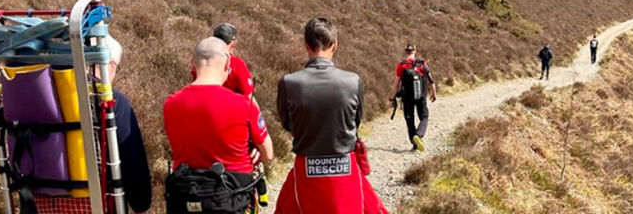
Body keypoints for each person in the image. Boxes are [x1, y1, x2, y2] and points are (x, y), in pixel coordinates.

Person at [275, 17, 388, 214]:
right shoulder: (353, 81)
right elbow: (356, 121)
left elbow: (287, 123)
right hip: (346, 167)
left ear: (306, 45)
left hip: (306, 167)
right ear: (335, 45)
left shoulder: (289, 82)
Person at [164, 37, 274, 211]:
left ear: (192, 64)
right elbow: (268, 153)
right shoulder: (245, 105)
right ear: (228, 63)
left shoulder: (171, 104)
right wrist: (253, 149)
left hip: (185, 196)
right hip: (233, 196)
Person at [102, 36, 152, 214]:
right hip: (100, 203)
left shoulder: (46, 96)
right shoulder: (115, 103)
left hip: (40, 203)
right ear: (110, 65)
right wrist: (141, 203)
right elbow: (132, 159)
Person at [391, 43, 436, 152]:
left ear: (405, 51)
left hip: (407, 97)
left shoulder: (402, 65)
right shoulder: (422, 64)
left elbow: (396, 84)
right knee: (424, 116)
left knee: (409, 120)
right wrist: (434, 93)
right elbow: (431, 80)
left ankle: (414, 143)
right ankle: (419, 135)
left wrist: (392, 98)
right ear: (415, 51)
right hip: (421, 96)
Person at [190, 22, 255, 97]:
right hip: (229, 106)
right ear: (233, 43)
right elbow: (249, 96)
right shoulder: (237, 64)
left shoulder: (201, 60)